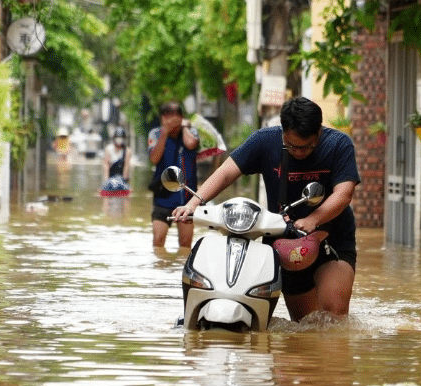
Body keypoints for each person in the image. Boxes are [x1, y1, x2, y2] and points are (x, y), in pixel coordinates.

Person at [171, 97, 360, 322]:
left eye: (306, 146)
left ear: (318, 131)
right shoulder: (265, 140)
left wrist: (313, 219)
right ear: (283, 132)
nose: (298, 152)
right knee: (303, 327)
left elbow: (344, 193)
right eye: (291, 146)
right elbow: (226, 173)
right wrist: (194, 203)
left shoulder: (338, 144)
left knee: (333, 317)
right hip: (284, 241)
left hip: (331, 236)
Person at [149, 101, 200, 248]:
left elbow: (191, 144)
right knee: (158, 241)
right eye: (167, 117)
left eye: (175, 116)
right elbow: (154, 159)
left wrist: (183, 127)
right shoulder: (156, 134)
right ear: (162, 119)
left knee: (185, 244)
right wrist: (165, 133)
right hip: (162, 196)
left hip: (186, 197)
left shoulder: (191, 131)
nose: (171, 120)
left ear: (181, 117)